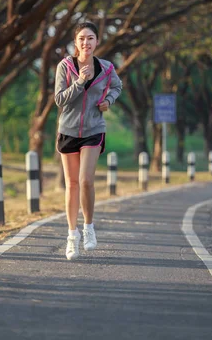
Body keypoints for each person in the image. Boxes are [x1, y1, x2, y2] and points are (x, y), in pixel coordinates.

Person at [54, 21, 123, 260]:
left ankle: (89, 228)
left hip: (94, 129)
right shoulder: (65, 66)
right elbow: (60, 100)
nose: (86, 42)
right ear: (76, 42)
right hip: (68, 131)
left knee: (85, 180)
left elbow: (117, 86)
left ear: (96, 41)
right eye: (82, 38)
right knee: (71, 184)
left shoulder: (106, 67)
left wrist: (109, 101)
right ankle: (72, 237)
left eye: (91, 38)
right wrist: (80, 82)